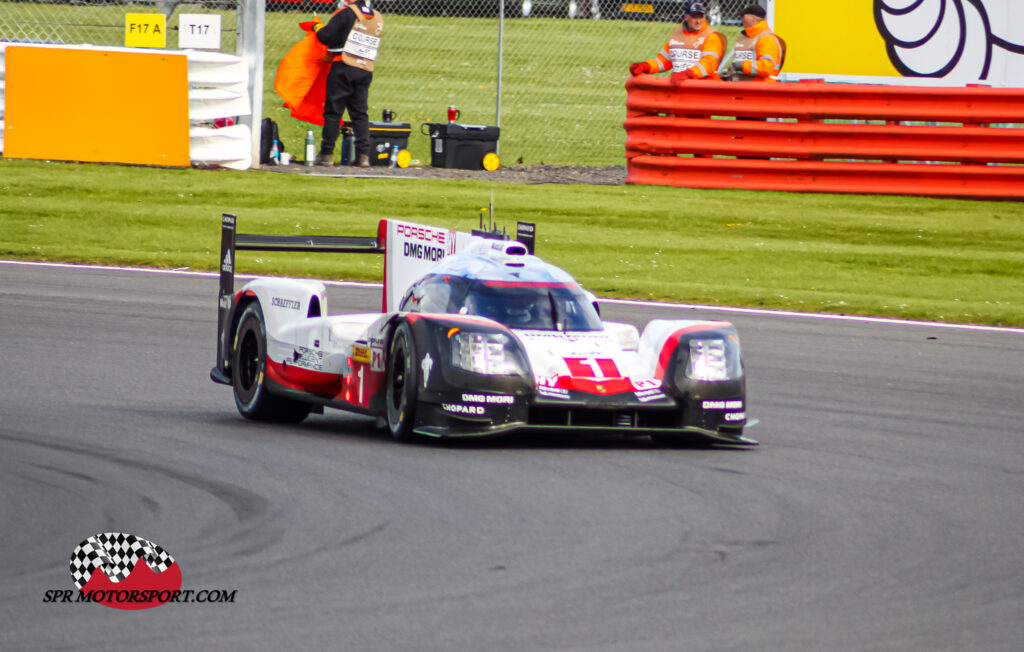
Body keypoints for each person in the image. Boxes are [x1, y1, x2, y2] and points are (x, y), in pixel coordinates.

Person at [306, 0, 383, 166]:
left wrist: (316, 27)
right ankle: (363, 156)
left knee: (334, 112)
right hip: (365, 69)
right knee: (360, 113)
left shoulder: (346, 13)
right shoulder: (376, 16)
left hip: (343, 67)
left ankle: (326, 154)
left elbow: (327, 37)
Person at [628, 2, 726, 82]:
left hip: (704, 87)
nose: (698, 21)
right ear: (686, 17)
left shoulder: (711, 37)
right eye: (694, 17)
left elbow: (709, 64)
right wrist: (644, 66)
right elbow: (662, 62)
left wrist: (688, 74)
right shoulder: (676, 38)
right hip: (681, 84)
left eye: (701, 17)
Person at [730, 4, 785, 82]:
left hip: (762, 89)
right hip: (749, 87)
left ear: (752, 18)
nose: (741, 21)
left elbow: (766, 67)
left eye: (743, 17)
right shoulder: (751, 38)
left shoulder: (766, 39)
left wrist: (742, 65)